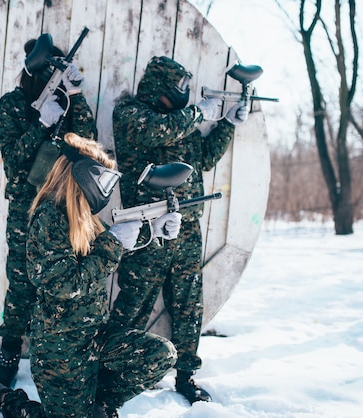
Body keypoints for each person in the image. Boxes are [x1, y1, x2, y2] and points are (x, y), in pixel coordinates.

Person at [0, 132, 180, 418]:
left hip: (96, 337)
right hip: (61, 351)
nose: (107, 189)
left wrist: (155, 232)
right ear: (84, 176)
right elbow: (65, 283)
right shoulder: (48, 218)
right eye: (105, 180)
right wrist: (115, 242)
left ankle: (96, 407)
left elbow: (110, 259)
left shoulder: (85, 217)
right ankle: (7, 400)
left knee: (161, 354)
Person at [109, 56, 249, 404]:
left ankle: (186, 376)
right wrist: (200, 112)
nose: (183, 95)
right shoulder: (130, 114)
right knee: (133, 305)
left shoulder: (180, 123)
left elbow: (203, 157)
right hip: (147, 230)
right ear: (159, 87)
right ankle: (107, 371)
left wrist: (228, 123)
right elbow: (159, 129)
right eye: (179, 88)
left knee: (188, 305)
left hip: (184, 229)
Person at [0, 34, 98, 388]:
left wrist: (76, 97)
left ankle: (49, 357)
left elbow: (90, 143)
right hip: (25, 207)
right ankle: (9, 355)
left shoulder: (66, 105)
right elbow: (13, 161)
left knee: (58, 284)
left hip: (63, 207)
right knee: (21, 282)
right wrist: (41, 124)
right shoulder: (10, 106)